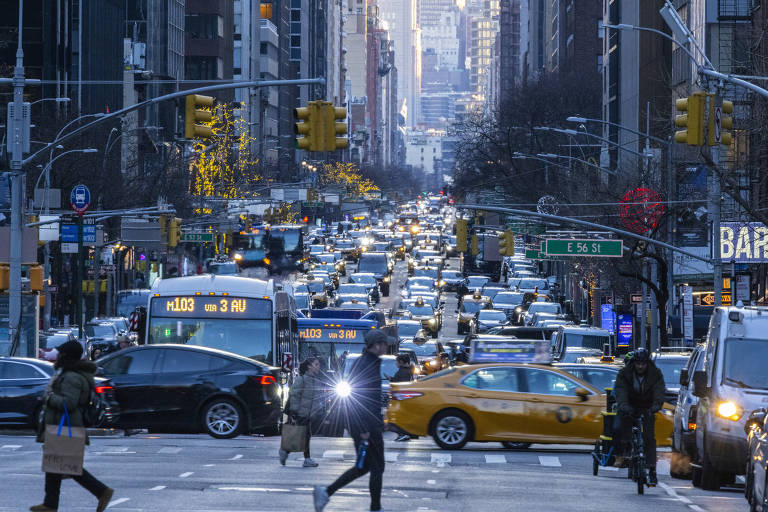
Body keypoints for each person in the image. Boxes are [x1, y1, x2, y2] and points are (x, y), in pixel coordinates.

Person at [31, 340, 114, 512]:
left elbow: (69, 403)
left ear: (66, 356)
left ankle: (102, 491)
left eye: (61, 353)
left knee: (68, 467)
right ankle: (50, 504)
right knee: (54, 465)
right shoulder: (70, 373)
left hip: (66, 426)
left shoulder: (72, 377)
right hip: (62, 425)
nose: (58, 356)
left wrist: (49, 397)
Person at [314, 330, 389, 512]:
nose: (387, 346)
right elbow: (360, 397)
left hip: (366, 424)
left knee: (365, 467)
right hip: (366, 425)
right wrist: (364, 427)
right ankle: (375, 507)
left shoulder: (368, 362)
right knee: (377, 467)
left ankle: (326, 492)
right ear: (377, 345)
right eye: (385, 343)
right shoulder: (366, 364)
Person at [612, 347, 666, 486]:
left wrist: (656, 405)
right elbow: (620, 389)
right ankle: (626, 450)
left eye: (643, 363)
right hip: (629, 406)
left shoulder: (656, 374)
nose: (640, 366)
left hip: (647, 407)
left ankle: (652, 470)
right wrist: (623, 404)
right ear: (634, 363)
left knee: (649, 438)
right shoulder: (624, 374)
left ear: (647, 363)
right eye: (638, 363)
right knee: (620, 427)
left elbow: (659, 391)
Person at [280, 357, 322, 467]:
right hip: (300, 414)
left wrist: (318, 411)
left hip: (309, 415)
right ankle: (305, 459)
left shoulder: (316, 381)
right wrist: (294, 412)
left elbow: (317, 399)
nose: (319, 366)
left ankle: (286, 451)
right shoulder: (301, 380)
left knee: (302, 436)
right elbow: (294, 396)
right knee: (302, 436)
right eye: (316, 364)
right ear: (309, 366)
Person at [390, 354, 413, 442]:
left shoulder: (404, 372)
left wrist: (392, 380)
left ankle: (404, 434)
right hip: (401, 397)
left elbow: (402, 385)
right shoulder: (406, 370)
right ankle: (403, 434)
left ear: (401, 362)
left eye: (397, 361)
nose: (396, 363)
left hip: (401, 398)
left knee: (400, 417)